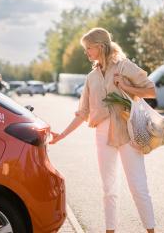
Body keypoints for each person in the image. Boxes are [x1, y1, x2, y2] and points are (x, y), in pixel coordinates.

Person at [50, 27, 156, 233]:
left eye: (88, 48)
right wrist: (60, 136)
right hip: (102, 135)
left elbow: (151, 90)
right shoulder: (91, 77)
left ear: (100, 47)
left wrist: (127, 87)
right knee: (108, 189)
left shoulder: (125, 66)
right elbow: (82, 113)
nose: (86, 52)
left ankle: (151, 230)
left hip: (128, 133)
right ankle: (110, 230)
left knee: (138, 186)